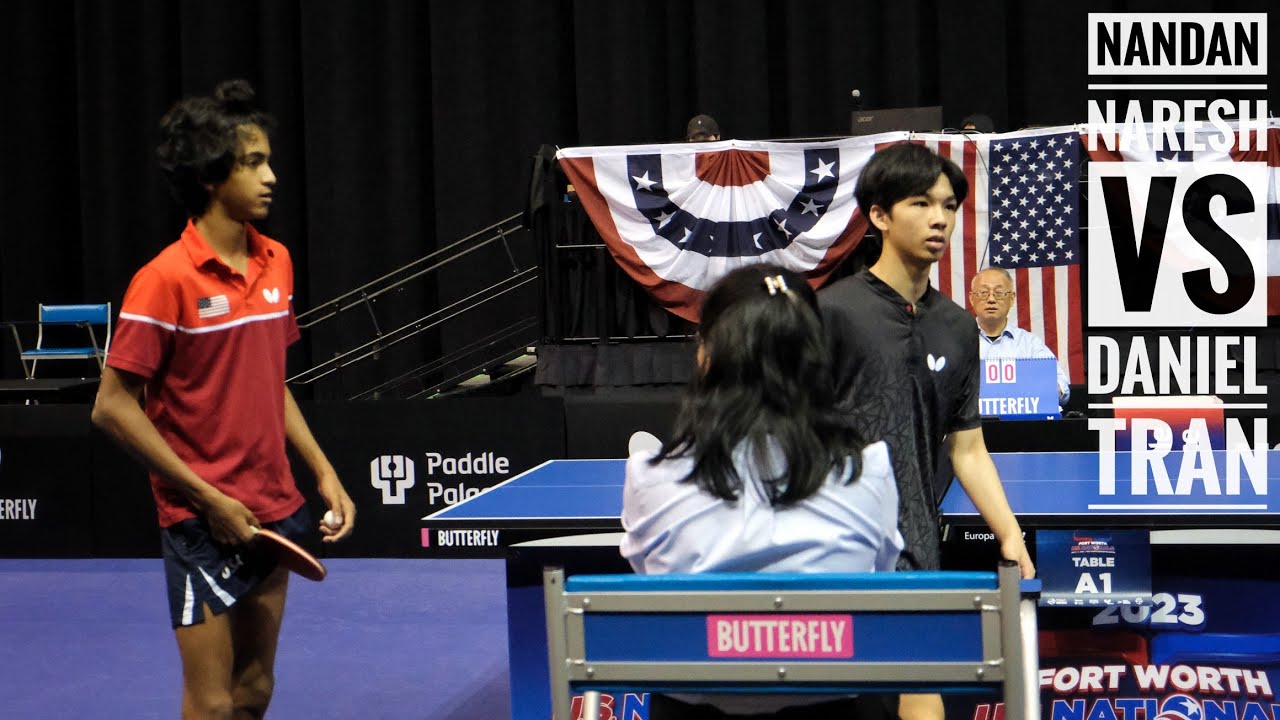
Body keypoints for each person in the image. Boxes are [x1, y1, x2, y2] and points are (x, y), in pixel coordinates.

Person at [91, 79, 356, 719]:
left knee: (255, 689)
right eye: (253, 162)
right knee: (211, 705)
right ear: (212, 177)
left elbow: (271, 381)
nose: (271, 176)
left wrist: (324, 471)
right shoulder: (163, 280)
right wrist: (208, 499)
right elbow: (112, 406)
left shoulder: (278, 262)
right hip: (199, 520)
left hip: (272, 506)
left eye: (268, 160)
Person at [622, 263, 902, 720]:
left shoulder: (648, 476)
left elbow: (651, 580)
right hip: (833, 708)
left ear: (706, 356)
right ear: (816, 359)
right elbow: (878, 579)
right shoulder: (869, 470)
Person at [818, 142, 1033, 720]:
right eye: (920, 203)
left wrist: (1010, 535)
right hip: (832, 546)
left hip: (916, 542)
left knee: (920, 682)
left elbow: (967, 447)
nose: (940, 217)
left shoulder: (959, 328)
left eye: (948, 205)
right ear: (880, 216)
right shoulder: (831, 314)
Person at [969, 267, 1071, 404]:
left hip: (1019, 423)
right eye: (983, 292)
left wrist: (1039, 389)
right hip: (970, 423)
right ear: (972, 298)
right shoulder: (956, 341)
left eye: (999, 293)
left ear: (1011, 299)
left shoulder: (1029, 344)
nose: (991, 299)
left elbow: (1062, 388)